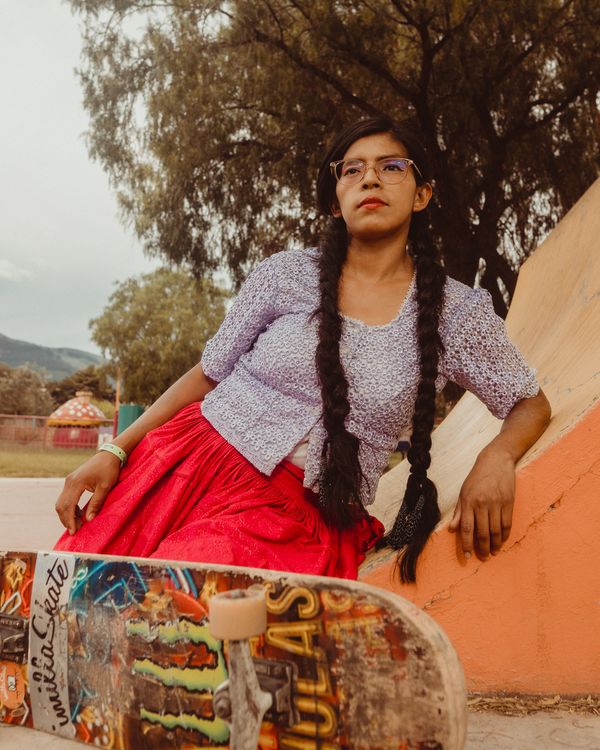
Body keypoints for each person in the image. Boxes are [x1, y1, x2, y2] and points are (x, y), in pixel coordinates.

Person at [54, 116, 551, 582]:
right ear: (336, 202)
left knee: (178, 598)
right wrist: (116, 449)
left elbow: (528, 403)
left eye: (391, 167)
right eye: (352, 170)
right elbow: (208, 373)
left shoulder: (456, 313)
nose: (370, 178)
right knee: (76, 593)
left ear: (421, 194)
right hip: (184, 463)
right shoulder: (285, 275)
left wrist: (497, 456)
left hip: (296, 516)